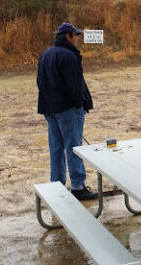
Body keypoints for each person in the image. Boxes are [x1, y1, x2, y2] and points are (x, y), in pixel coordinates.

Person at [37, 22, 97, 201]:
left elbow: (40, 81)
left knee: (56, 147)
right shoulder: (69, 56)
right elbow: (75, 85)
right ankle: (78, 186)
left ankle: (56, 184)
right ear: (68, 37)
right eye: (75, 36)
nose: (77, 39)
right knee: (74, 147)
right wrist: (80, 104)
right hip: (67, 109)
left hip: (50, 108)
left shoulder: (46, 54)